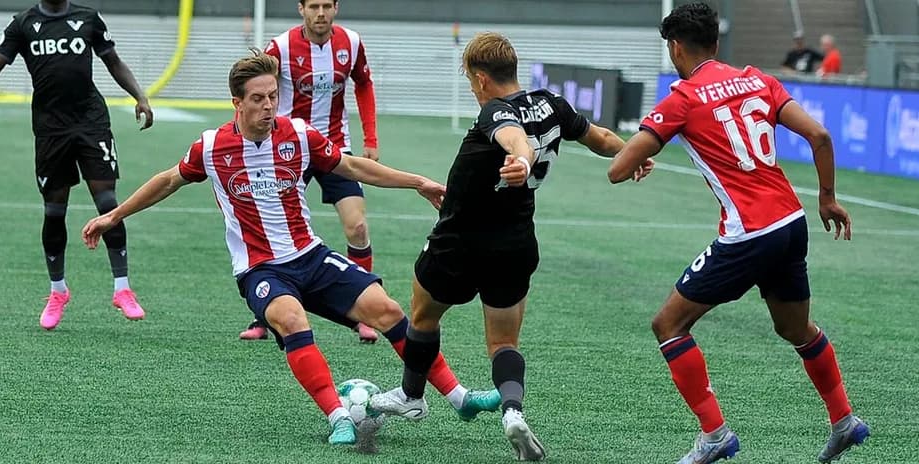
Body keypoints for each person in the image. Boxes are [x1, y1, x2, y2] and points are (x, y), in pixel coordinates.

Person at [81, 50, 500, 445]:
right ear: (237, 103)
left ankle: (459, 398)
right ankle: (338, 417)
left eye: (273, 97)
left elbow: (351, 166)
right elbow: (168, 179)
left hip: (310, 256)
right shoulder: (211, 147)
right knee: (292, 318)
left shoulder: (298, 135)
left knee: (387, 310)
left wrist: (417, 182)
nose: (269, 106)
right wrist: (114, 215)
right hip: (260, 270)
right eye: (259, 99)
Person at [369, 32, 653, 461]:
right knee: (504, 342)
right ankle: (513, 412)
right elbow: (599, 137)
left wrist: (519, 159)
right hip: (515, 242)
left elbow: (513, 137)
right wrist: (634, 153)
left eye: (469, 80)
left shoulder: (494, 112)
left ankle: (412, 395)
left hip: (459, 241)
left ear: (481, 78)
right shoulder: (553, 104)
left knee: (423, 313)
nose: (471, 88)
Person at [606, 4, 869, 463]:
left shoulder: (682, 98)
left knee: (668, 325)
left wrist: (639, 153)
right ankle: (843, 419)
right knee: (795, 328)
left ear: (675, 47)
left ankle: (714, 435)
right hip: (791, 223)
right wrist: (826, 198)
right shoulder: (758, 79)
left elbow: (617, 170)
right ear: (716, 41)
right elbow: (821, 137)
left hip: (748, 233)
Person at [0, 0, 154, 330]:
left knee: (107, 203)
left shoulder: (88, 17)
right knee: (54, 210)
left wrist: (140, 96)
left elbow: (113, 62)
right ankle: (57, 291)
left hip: (91, 122)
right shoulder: (23, 23)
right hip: (51, 129)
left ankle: (122, 288)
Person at [237, 0, 380, 343]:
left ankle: (364, 312)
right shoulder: (281, 47)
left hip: (334, 147)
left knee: (357, 226)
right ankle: (263, 315)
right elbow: (256, 87)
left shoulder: (352, 43)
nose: (320, 13)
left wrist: (370, 137)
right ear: (300, 9)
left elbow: (364, 84)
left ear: (336, 8)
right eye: (313, 6)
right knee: (271, 234)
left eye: (326, 6)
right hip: (288, 149)